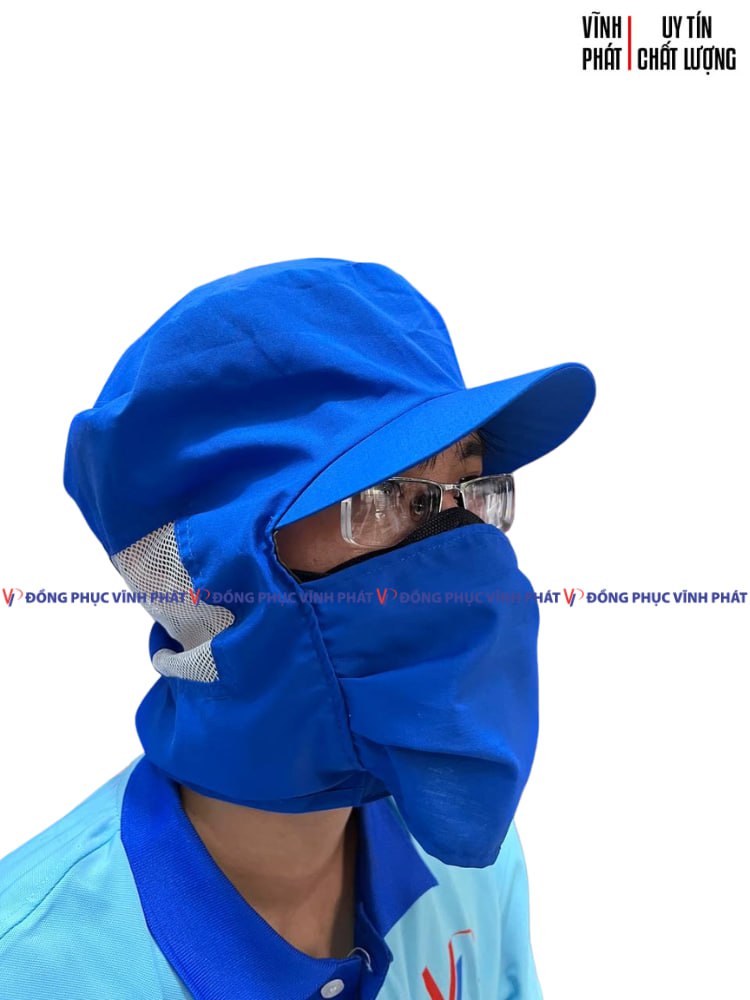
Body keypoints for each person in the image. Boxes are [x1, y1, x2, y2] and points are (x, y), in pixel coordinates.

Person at [0, 258, 595, 999]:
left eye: (469, 487)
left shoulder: (471, 871)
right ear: (215, 568)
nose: (464, 547)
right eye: (387, 496)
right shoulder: (31, 967)